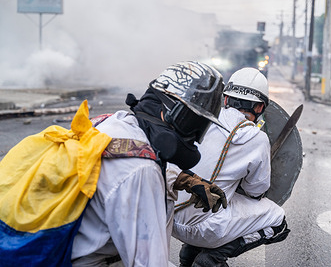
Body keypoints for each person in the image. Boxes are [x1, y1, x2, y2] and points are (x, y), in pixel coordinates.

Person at [71, 61, 228, 267]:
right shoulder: (142, 170)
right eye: (193, 124)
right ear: (170, 110)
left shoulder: (112, 123)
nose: (194, 137)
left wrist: (185, 179)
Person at [170, 67, 290, 267]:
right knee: (278, 220)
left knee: (214, 199)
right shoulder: (257, 138)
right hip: (204, 230)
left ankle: (188, 256)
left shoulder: (202, 119)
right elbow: (255, 191)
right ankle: (213, 258)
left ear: (225, 99)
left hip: (170, 219)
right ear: (260, 108)